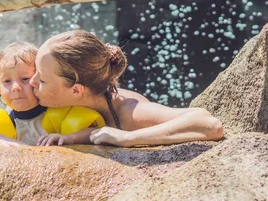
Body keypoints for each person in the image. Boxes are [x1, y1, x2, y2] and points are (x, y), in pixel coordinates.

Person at [32, 30, 224, 147]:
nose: (31, 83)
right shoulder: (50, 100)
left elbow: (209, 124)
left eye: (41, 79)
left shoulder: (129, 111)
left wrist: (129, 137)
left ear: (76, 91)